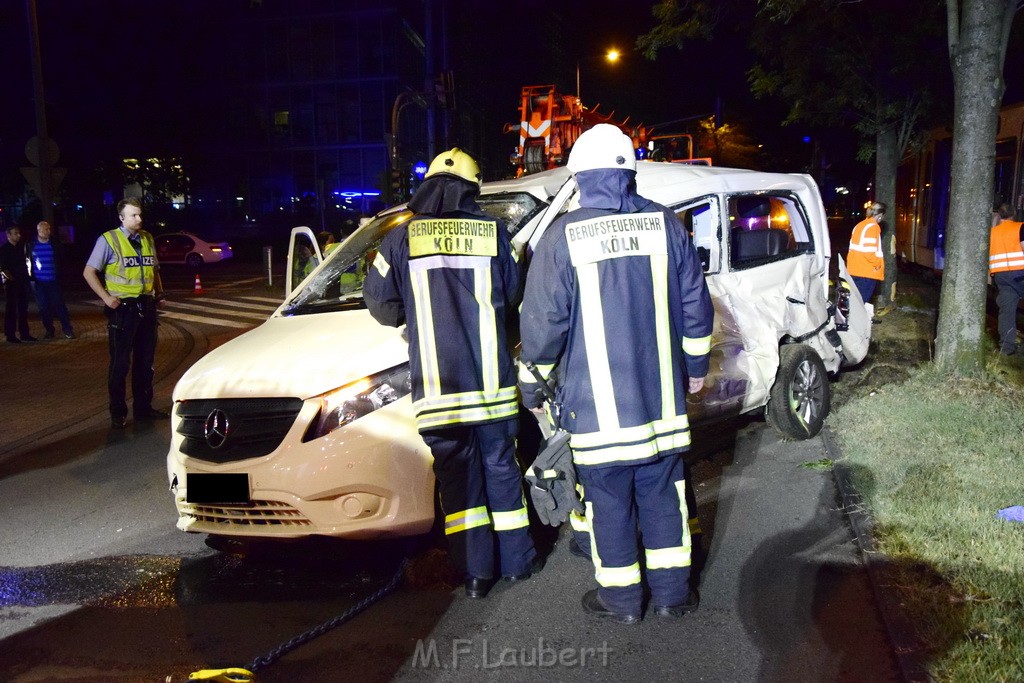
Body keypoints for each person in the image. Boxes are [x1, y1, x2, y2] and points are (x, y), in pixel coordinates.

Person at [518, 124, 714, 624]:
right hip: (660, 403)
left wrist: (532, 385)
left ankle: (623, 602)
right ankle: (673, 596)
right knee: (664, 497)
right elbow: (695, 303)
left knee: (608, 505)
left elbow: (543, 323)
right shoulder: (666, 224)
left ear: (580, 175)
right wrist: (694, 369)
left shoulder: (562, 235)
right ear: (631, 170)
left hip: (595, 410)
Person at [363, 148, 538, 599]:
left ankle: (477, 576)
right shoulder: (494, 233)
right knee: (502, 468)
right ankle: (518, 562)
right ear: (472, 190)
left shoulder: (401, 239)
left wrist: (419, 314)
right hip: (492, 387)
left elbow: (381, 306)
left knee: (459, 483)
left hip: (438, 391)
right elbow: (514, 294)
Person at [83, 198, 168, 429]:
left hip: (146, 307)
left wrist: (158, 294)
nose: (139, 219)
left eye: (140, 215)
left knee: (145, 361)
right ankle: (118, 412)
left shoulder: (147, 238)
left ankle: (143, 408)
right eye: (133, 215)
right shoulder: (109, 240)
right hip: (123, 310)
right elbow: (89, 272)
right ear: (121, 218)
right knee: (120, 364)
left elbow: (153, 269)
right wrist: (106, 298)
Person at [28, 221, 75, 339]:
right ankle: (49, 330)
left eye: (49, 229)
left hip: (53, 280)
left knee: (59, 306)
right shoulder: (31, 245)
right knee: (43, 307)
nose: (48, 231)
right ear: (39, 231)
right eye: (45, 229)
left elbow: (61, 259)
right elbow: (28, 261)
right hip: (39, 282)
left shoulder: (54, 243)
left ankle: (67, 329)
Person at [989, 203, 1024, 355]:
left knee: (1007, 311)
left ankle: (1006, 348)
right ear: (1014, 215)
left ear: (1000, 216)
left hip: (1001, 276)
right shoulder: (1020, 228)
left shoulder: (992, 232)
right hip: (1019, 274)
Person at [1, 226, 37, 343]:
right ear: (9, 235)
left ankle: (24, 333)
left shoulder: (22, 247)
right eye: (15, 233)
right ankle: (10, 335)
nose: (18, 235)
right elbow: (3, 268)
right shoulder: (4, 249)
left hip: (22, 281)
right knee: (11, 309)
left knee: (23, 309)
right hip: (11, 283)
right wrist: (11, 279)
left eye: (18, 233)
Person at [847, 201, 886, 308]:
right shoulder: (873, 227)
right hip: (866, 272)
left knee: (853, 302)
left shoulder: (860, 225)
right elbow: (869, 251)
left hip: (854, 269)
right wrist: (877, 264)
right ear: (880, 215)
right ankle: (856, 324)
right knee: (860, 305)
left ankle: (848, 323)